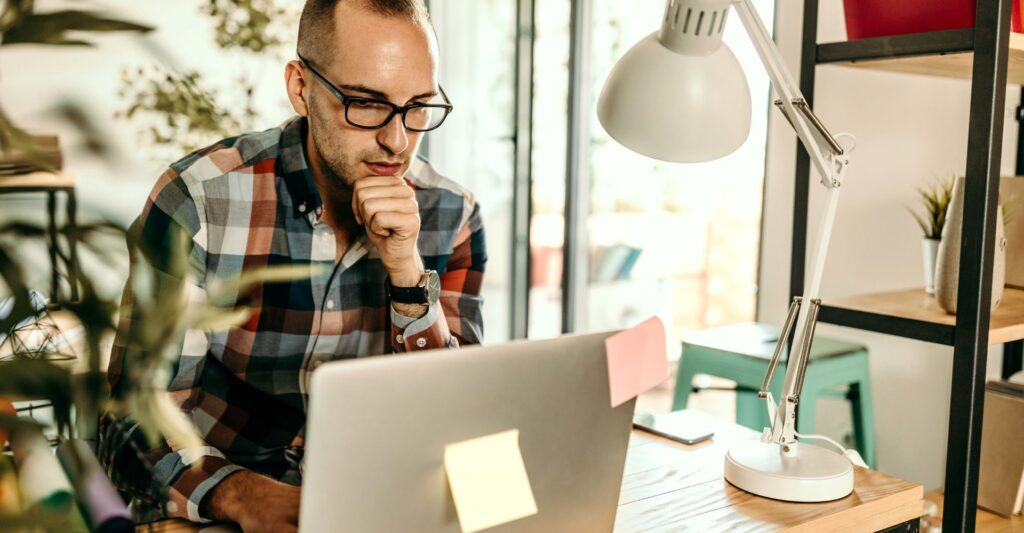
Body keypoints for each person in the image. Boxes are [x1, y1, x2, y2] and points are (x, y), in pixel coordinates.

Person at [97, 1, 486, 532]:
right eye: (366, 104)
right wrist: (241, 497)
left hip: (380, 509)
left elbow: (458, 424)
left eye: (418, 106)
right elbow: (132, 421)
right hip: (219, 509)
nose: (398, 140)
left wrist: (405, 269)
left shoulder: (453, 214)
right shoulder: (199, 200)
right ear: (301, 88)